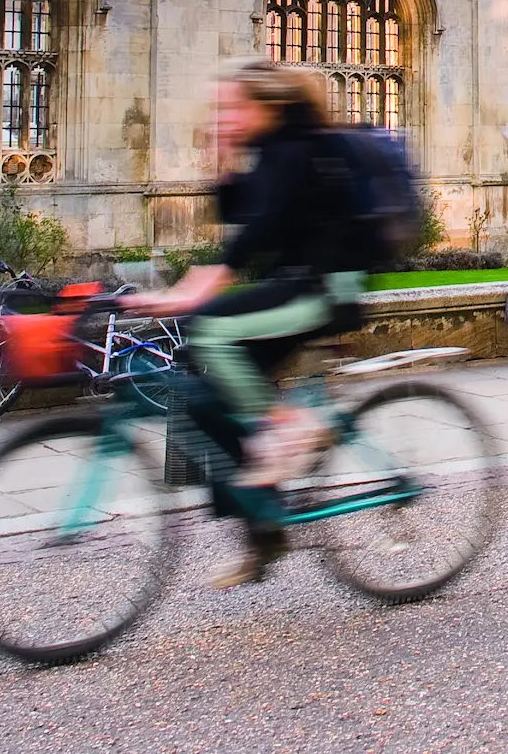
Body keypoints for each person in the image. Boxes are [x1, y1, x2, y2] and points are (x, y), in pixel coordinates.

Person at [125, 60, 367, 584]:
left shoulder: (298, 148)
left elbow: (256, 230)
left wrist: (198, 287)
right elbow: (239, 210)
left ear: (269, 106)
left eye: (234, 108)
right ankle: (263, 528)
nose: (226, 116)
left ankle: (283, 432)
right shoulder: (270, 150)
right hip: (291, 285)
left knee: (207, 328)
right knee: (195, 388)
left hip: (325, 289)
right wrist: (223, 156)